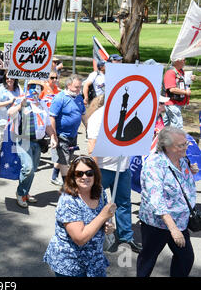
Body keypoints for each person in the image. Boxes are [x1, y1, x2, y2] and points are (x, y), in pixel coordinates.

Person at [43, 155, 117, 277]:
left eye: (89, 173)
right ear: (73, 176)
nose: (84, 177)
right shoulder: (68, 200)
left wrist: (109, 227)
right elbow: (80, 238)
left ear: (95, 175)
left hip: (95, 261)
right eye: (79, 173)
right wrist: (103, 217)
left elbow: (104, 220)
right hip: (71, 265)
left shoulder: (100, 191)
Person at [137, 126, 197, 277]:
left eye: (186, 143)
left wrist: (191, 170)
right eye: (181, 145)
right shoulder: (154, 164)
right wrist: (173, 229)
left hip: (180, 221)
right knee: (148, 259)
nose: (186, 147)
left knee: (186, 258)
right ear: (166, 146)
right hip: (158, 223)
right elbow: (156, 199)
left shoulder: (182, 159)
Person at [87, 94, 142, 253]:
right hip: (103, 168)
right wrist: (95, 174)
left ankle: (126, 237)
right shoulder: (98, 116)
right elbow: (92, 148)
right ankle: (92, 234)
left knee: (123, 202)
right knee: (95, 202)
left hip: (122, 167)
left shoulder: (129, 113)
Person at [8, 81, 57, 208]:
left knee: (32, 170)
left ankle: (26, 192)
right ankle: (20, 193)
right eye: (33, 88)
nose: (36, 91)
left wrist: (52, 136)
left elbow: (47, 124)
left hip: (37, 142)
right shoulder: (21, 100)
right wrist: (20, 106)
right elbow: (10, 113)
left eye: (39, 88)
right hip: (23, 140)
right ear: (28, 89)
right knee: (27, 168)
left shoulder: (42, 104)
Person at [49, 74, 87, 186]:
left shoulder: (79, 97)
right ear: (69, 85)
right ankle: (67, 185)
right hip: (61, 135)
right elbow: (52, 117)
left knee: (65, 158)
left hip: (73, 135)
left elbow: (83, 114)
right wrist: (53, 136)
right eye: (76, 87)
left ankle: (54, 176)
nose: (79, 89)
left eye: (80, 87)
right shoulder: (60, 98)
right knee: (64, 161)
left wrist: (88, 128)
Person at [0, 77, 21, 164]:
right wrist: (9, 102)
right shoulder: (1, 90)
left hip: (15, 119)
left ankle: (9, 157)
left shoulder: (18, 89)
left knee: (12, 139)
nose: (9, 80)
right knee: (4, 139)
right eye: (7, 78)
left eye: (12, 78)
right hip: (3, 119)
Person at [162, 58, 195, 129]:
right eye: (183, 60)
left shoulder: (181, 71)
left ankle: (158, 136)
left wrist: (190, 79)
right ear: (177, 61)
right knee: (178, 125)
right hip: (172, 102)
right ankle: (178, 139)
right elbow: (172, 89)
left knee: (165, 124)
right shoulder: (170, 72)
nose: (185, 62)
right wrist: (185, 92)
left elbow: (184, 83)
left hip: (177, 102)